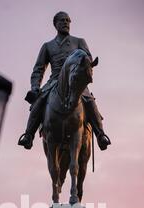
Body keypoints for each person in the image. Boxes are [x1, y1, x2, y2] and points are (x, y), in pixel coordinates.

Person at [18, 11, 110, 151]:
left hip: (75, 80)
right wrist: (35, 87)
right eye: (62, 20)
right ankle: (28, 135)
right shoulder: (47, 46)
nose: (66, 23)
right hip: (54, 81)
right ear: (55, 24)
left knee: (89, 100)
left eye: (68, 20)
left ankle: (100, 135)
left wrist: (84, 68)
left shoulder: (79, 41)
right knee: (39, 101)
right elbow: (38, 69)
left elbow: (88, 61)